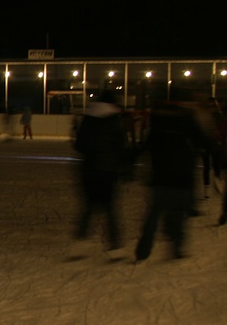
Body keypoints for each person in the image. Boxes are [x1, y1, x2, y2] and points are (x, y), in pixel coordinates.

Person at [135, 96, 207, 261]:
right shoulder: (188, 120)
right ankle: (176, 245)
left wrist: (132, 160)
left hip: (161, 175)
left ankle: (143, 249)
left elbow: (147, 145)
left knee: (155, 212)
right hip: (182, 175)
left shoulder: (159, 122)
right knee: (178, 211)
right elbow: (202, 140)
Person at [72, 90, 129, 251]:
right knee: (110, 208)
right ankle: (115, 246)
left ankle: (79, 243)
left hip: (88, 170)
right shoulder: (114, 121)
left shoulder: (88, 119)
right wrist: (124, 168)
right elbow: (120, 147)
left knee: (89, 206)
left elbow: (79, 145)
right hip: (107, 171)